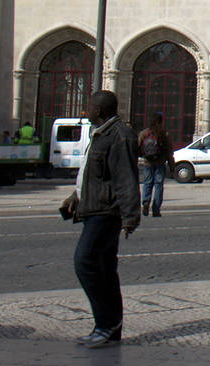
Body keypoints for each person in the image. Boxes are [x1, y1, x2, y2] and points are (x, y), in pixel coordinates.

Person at [63, 90, 139, 348]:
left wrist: (130, 217)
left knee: (85, 262)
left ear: (101, 110)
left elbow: (126, 178)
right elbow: (92, 173)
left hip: (107, 211)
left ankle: (106, 323)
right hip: (94, 207)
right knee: (105, 269)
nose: (87, 110)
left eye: (90, 106)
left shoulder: (119, 135)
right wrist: (76, 195)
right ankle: (110, 326)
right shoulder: (101, 134)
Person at [137, 112, 174, 216]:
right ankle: (156, 209)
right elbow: (169, 152)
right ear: (161, 121)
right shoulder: (164, 134)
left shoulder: (144, 133)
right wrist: (172, 166)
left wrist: (142, 155)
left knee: (147, 183)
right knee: (158, 185)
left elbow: (137, 147)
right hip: (160, 163)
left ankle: (145, 202)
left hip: (147, 162)